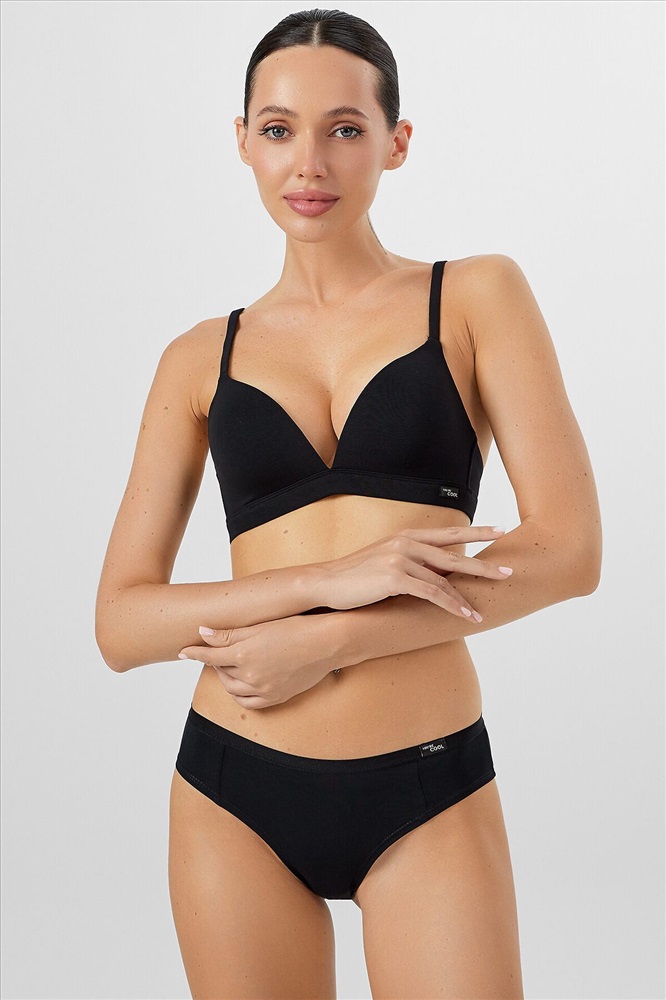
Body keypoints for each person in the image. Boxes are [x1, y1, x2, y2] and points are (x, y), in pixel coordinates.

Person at [95, 8, 602, 998]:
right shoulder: (199, 357)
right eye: (279, 129)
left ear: (395, 142)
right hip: (232, 791)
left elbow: (569, 552)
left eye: (345, 128)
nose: (309, 162)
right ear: (242, 141)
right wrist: (326, 581)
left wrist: (330, 640)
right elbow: (121, 623)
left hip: (426, 784)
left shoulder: (474, 298)